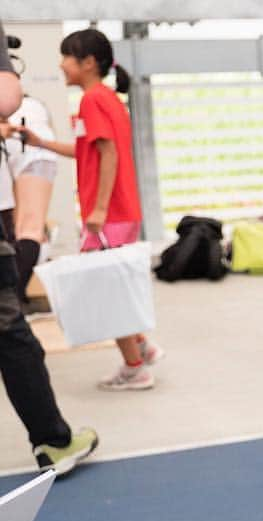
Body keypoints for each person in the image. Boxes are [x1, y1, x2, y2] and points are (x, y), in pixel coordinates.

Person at [19, 28, 164, 391]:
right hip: (119, 211)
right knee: (113, 283)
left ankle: (135, 366)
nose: (61, 64)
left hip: (109, 214)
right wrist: (41, 142)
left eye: (67, 56)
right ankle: (142, 346)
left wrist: (98, 210)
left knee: (104, 290)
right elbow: (88, 151)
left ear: (87, 63)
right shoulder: (105, 99)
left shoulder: (92, 101)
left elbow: (109, 154)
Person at [0, 19, 98, 476]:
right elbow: (30, 225)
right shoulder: (26, 105)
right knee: (11, 332)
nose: (60, 64)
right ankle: (53, 441)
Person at [1, 94, 60, 310]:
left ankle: (14, 299)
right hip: (28, 149)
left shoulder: (27, 105)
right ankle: (14, 300)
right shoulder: (30, 105)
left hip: (25, 147)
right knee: (29, 229)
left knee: (20, 229)